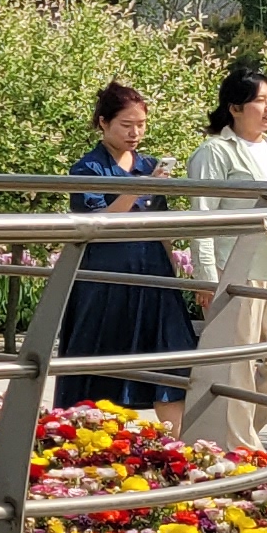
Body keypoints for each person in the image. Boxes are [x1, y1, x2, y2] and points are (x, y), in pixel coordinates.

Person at [182, 67, 267, 448]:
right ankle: (238, 446)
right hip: (237, 262)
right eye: (260, 100)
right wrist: (207, 278)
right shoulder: (214, 152)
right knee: (236, 363)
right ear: (235, 107)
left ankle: (222, 435)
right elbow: (202, 217)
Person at [55, 85, 197, 420]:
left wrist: (173, 269)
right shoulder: (88, 168)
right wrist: (140, 187)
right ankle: (88, 436)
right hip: (107, 278)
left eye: (141, 125)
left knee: (171, 360)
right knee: (101, 363)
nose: (135, 133)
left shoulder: (148, 164)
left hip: (153, 274)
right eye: (126, 125)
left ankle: (178, 444)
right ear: (103, 123)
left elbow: (161, 223)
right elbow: (96, 223)